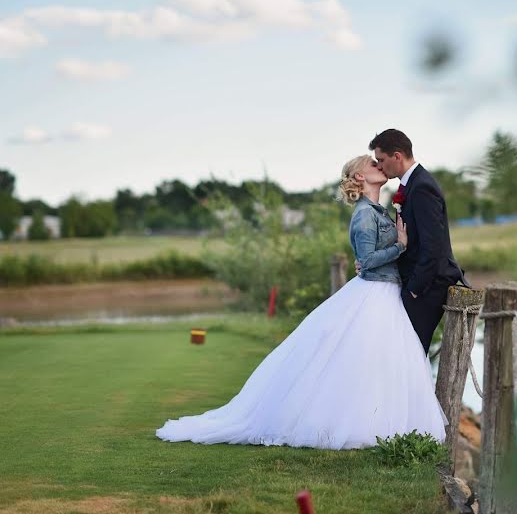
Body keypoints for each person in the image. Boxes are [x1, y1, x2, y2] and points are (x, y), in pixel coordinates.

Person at [154, 155, 446, 449]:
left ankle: (381, 421)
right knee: (364, 360)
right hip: (375, 292)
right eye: (372, 164)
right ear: (359, 177)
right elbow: (368, 261)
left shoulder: (377, 210)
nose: (379, 166)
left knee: (380, 362)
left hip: (386, 293)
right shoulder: (363, 215)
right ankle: (360, 425)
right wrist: (400, 246)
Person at [368, 129, 468, 355]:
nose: (380, 167)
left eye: (381, 160)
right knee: (404, 353)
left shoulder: (422, 186)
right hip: (416, 283)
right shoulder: (411, 184)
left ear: (397, 156)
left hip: (427, 287)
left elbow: (433, 246)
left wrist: (414, 289)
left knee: (410, 354)